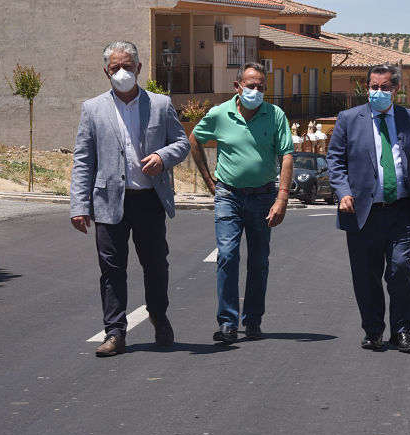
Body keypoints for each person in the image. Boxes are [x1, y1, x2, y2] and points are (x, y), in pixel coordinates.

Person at [70, 41, 190, 357]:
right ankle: (115, 333)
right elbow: (83, 160)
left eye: (127, 66)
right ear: (106, 72)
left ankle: (159, 315)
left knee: (156, 264)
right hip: (109, 201)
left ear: (138, 68)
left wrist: (163, 157)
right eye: (115, 68)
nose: (121, 72)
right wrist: (79, 205)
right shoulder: (92, 109)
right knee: (111, 269)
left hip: (149, 199)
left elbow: (182, 143)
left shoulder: (160, 105)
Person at [326, 64, 410, 353]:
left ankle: (402, 331)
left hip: (400, 210)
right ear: (367, 88)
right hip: (363, 212)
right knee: (366, 275)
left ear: (395, 89)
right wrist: (343, 192)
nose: (378, 92)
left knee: (400, 268)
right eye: (374, 87)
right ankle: (373, 331)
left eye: (385, 87)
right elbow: (335, 159)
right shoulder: (349, 119)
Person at [189, 62, 294, 343]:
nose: (255, 91)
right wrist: (209, 181)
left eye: (261, 87)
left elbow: (286, 155)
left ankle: (253, 320)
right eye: (250, 86)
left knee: (259, 261)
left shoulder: (275, 115)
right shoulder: (219, 114)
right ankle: (227, 322)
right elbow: (194, 140)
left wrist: (282, 198)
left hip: (263, 196)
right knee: (227, 256)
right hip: (229, 195)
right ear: (237, 86)